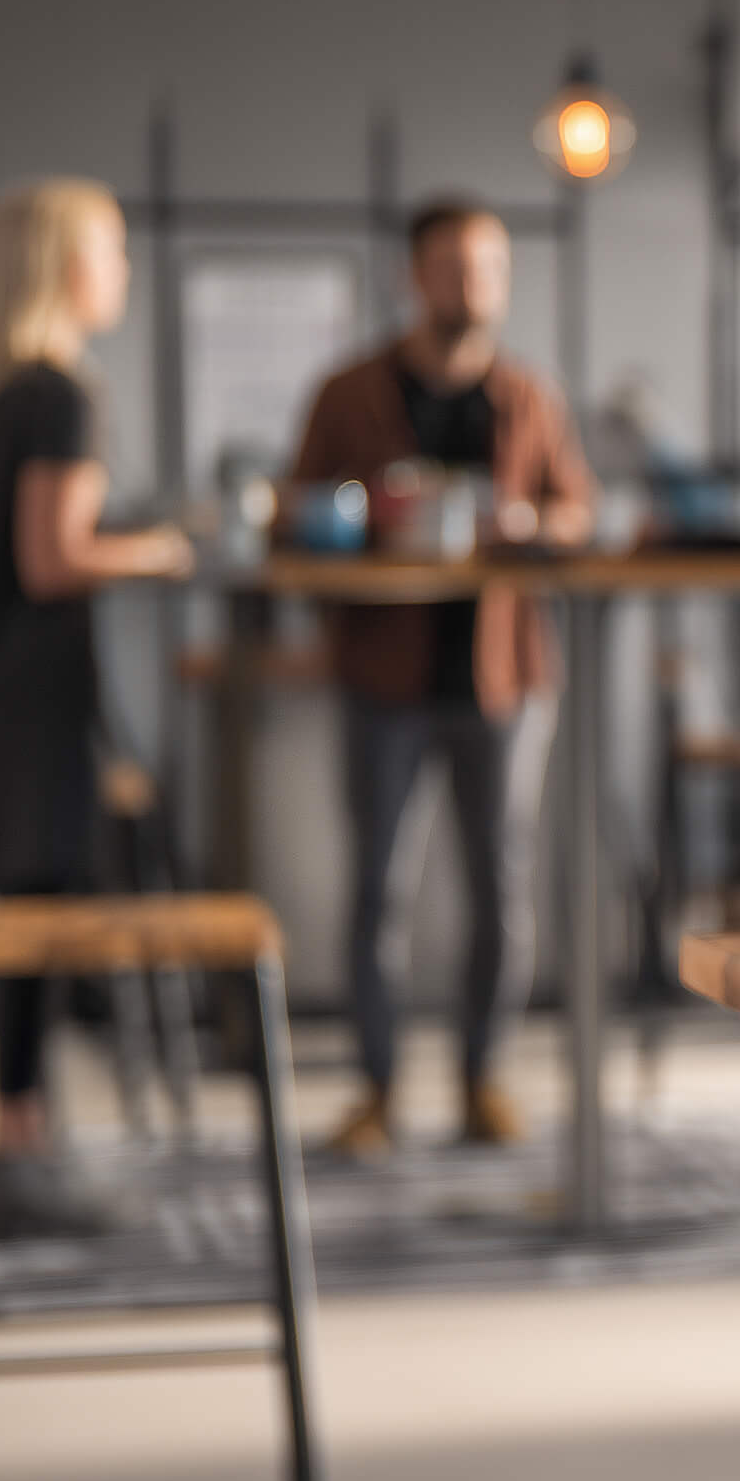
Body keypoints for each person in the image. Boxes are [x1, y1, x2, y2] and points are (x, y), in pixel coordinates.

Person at [286, 197, 595, 1160]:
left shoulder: (530, 396)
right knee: (377, 886)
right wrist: (367, 525)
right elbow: (295, 519)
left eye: (489, 267)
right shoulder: (348, 393)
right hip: (384, 675)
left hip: (503, 677)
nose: (473, 286)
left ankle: (482, 1079)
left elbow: (576, 511)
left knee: (500, 888)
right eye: (454, 266)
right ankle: (377, 1090)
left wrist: (531, 527)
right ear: (416, 276)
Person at [0, 179, 195, 1236]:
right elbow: (53, 560)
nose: (124, 271)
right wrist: (162, 550)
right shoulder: (61, 396)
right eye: (113, 250)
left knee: (19, 915)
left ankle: (21, 1138)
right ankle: (22, 1157)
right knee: (42, 916)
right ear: (63, 268)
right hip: (37, 699)